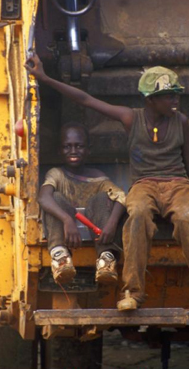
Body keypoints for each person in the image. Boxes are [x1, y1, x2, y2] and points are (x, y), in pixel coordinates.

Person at [26, 55, 189, 313]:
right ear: (150, 100)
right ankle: (132, 293)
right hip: (143, 186)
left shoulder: (182, 121)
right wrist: (45, 79)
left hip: (178, 185)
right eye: (169, 96)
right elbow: (85, 100)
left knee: (188, 221)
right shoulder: (131, 118)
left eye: (176, 95)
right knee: (137, 218)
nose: (175, 100)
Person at [38, 121, 127, 285]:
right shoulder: (56, 174)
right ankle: (60, 257)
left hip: (97, 234)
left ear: (88, 150)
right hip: (66, 235)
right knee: (55, 197)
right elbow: (44, 197)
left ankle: (106, 260)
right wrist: (67, 220)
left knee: (101, 198)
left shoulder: (98, 178)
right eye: (67, 146)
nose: (73, 151)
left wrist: (112, 224)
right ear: (60, 150)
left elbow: (121, 197)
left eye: (79, 146)